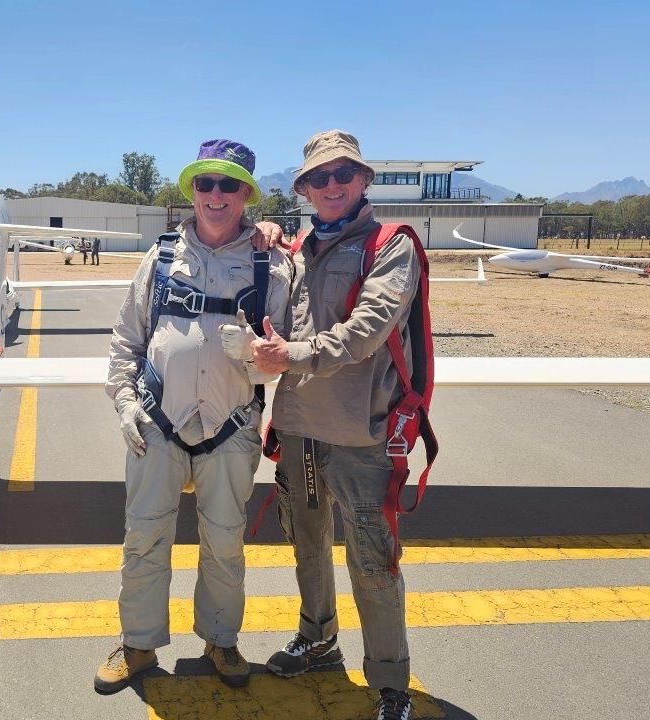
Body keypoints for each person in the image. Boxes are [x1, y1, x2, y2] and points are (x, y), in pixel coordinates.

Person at [226, 130, 422, 720]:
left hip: (360, 435)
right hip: (300, 430)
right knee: (307, 543)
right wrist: (259, 232)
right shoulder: (299, 250)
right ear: (305, 190)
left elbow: (367, 330)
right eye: (318, 177)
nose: (331, 185)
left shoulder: (391, 246)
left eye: (343, 174)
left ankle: (390, 682)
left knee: (372, 560)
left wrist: (293, 356)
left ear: (363, 181)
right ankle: (318, 639)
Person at [96, 139, 291, 694]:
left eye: (229, 184)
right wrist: (125, 403)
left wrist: (255, 356)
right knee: (143, 539)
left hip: (231, 427)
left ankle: (221, 639)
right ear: (194, 192)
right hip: (156, 424)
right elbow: (126, 341)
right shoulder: (159, 258)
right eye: (206, 183)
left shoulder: (272, 264)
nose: (216, 194)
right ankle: (138, 644)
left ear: (246, 194)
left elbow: (285, 355)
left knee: (225, 543)